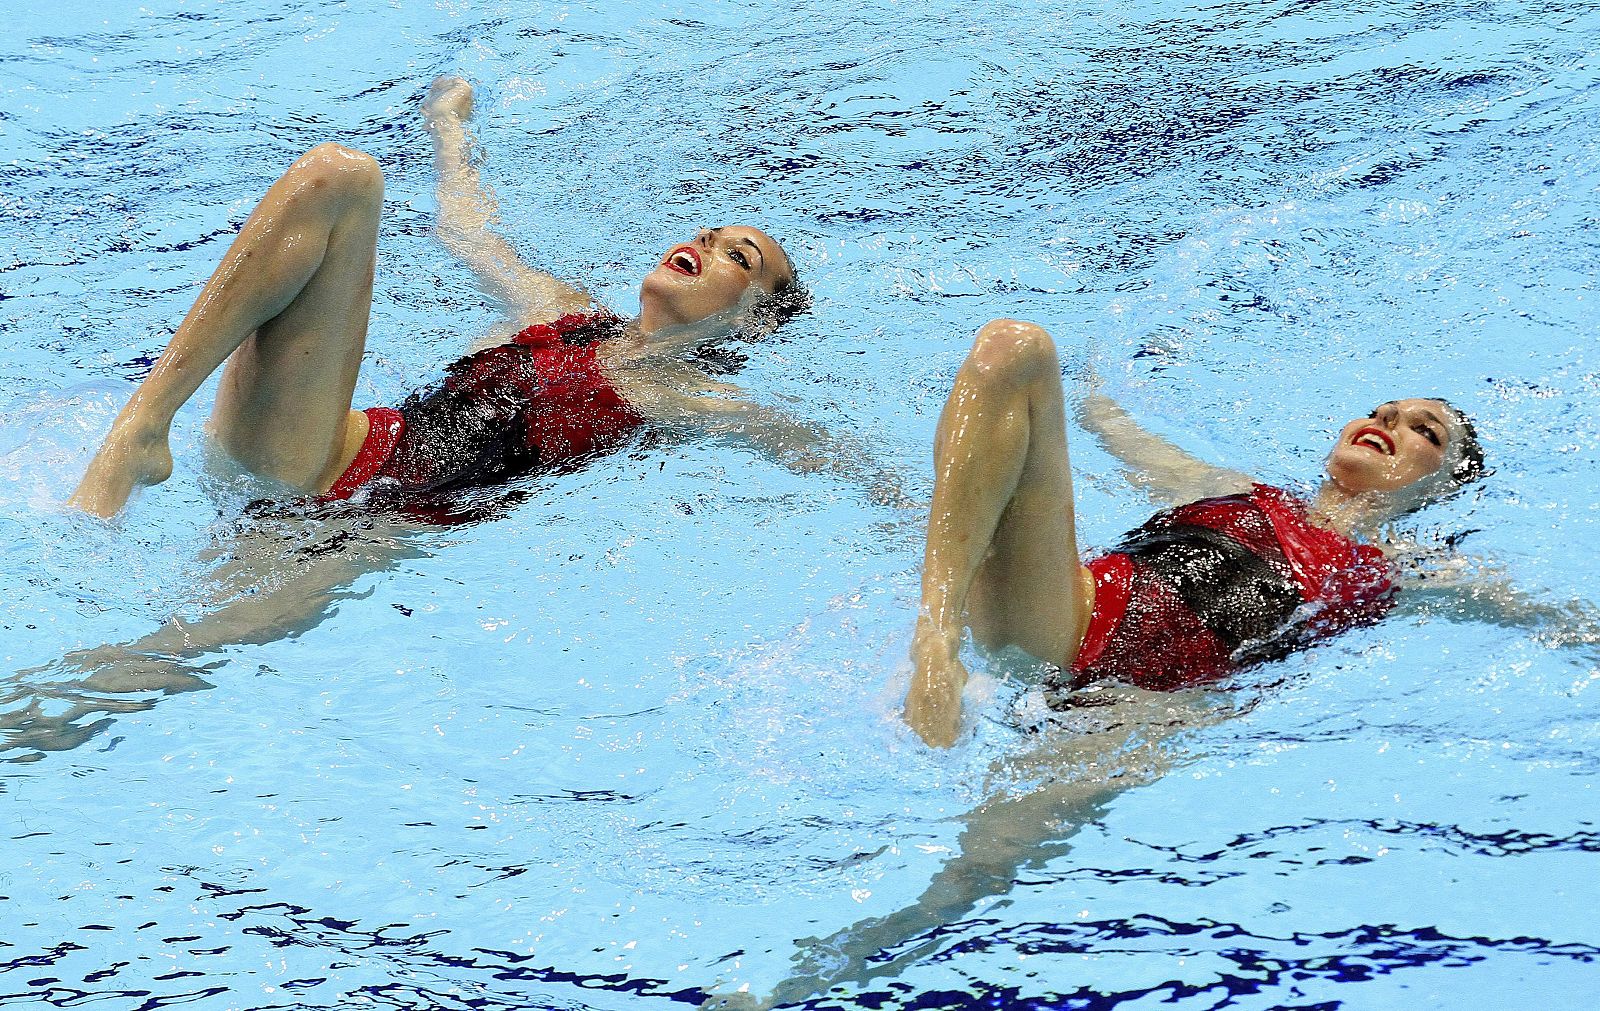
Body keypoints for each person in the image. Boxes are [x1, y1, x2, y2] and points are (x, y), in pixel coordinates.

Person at [68, 76, 865, 521]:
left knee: (120, 684)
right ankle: (144, 422)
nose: (706, 240)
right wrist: (449, 130)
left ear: (755, 314)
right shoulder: (567, 312)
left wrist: (942, 551)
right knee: (338, 175)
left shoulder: (685, 396)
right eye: (712, 229)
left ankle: (143, 430)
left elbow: (822, 450)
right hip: (321, 449)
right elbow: (469, 230)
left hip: (350, 524)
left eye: (740, 255)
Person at [904, 318, 1488, 748]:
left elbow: (1551, 620)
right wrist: (1109, 352)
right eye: (1382, 408)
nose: (1386, 419)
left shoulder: (1401, 568)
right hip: (1062, 612)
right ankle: (936, 639)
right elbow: (1109, 422)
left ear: (1439, 488)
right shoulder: (1232, 488)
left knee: (985, 868)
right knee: (1015, 348)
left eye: (1425, 432)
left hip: (1141, 711)